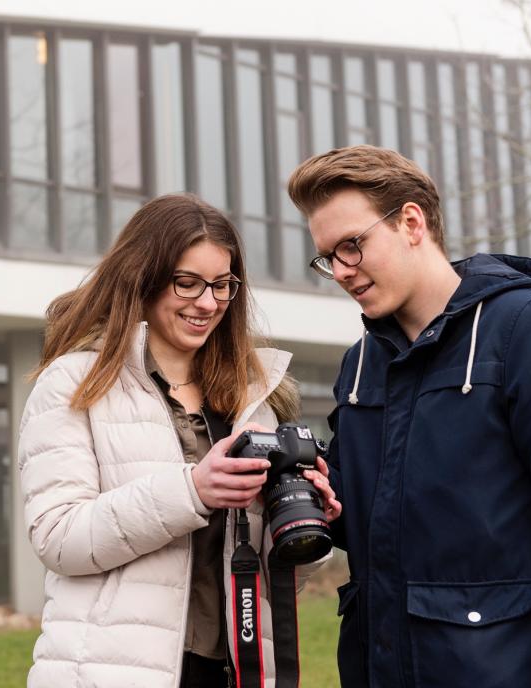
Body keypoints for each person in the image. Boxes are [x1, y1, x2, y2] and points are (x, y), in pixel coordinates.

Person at [286, 145, 531, 687]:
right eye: (327, 257)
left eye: (352, 247)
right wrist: (317, 494)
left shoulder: (527, 329)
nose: (340, 272)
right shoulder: (359, 366)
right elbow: (381, 523)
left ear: (411, 222)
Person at [18, 193, 341, 688]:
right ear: (141, 279)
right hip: (113, 671)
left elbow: (279, 580)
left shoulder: (255, 399)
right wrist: (192, 490)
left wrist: (306, 526)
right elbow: (59, 538)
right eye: (187, 283)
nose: (207, 303)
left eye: (222, 285)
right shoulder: (75, 383)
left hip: (238, 669)